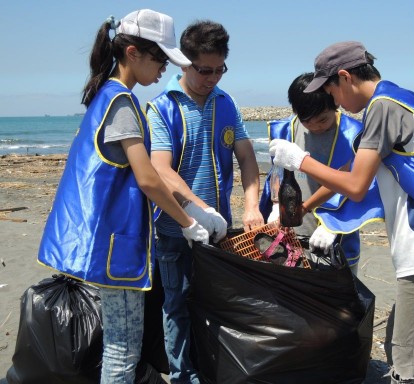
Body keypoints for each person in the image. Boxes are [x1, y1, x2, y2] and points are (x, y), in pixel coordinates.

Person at [269, 41, 414, 384]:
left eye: (332, 91)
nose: (336, 103)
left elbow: (356, 185)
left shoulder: (382, 107)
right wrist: (305, 207)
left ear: (345, 77)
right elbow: (351, 168)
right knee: (398, 346)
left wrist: (301, 161)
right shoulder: (399, 99)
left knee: (410, 370)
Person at [37, 10, 210, 384]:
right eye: (159, 59)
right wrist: (190, 223)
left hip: (108, 243)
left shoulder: (106, 95)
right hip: (115, 247)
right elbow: (147, 178)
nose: (163, 69)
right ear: (133, 53)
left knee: (121, 344)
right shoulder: (123, 103)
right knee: (123, 348)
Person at [146, 20, 264, 384]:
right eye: (204, 70)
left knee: (214, 302)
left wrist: (251, 205)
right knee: (177, 303)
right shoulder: (162, 108)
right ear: (184, 63)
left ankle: (212, 367)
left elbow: (245, 158)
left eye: (219, 70)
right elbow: (161, 169)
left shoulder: (226, 104)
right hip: (174, 228)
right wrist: (197, 207)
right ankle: (183, 376)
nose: (212, 78)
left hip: (218, 230)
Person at [259, 72, 380, 275]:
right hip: (291, 231)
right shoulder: (286, 130)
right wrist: (276, 205)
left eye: (323, 120)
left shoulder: (355, 135)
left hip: (335, 233)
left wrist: (332, 225)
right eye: (307, 121)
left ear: (336, 103)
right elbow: (276, 171)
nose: (315, 126)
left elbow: (360, 185)